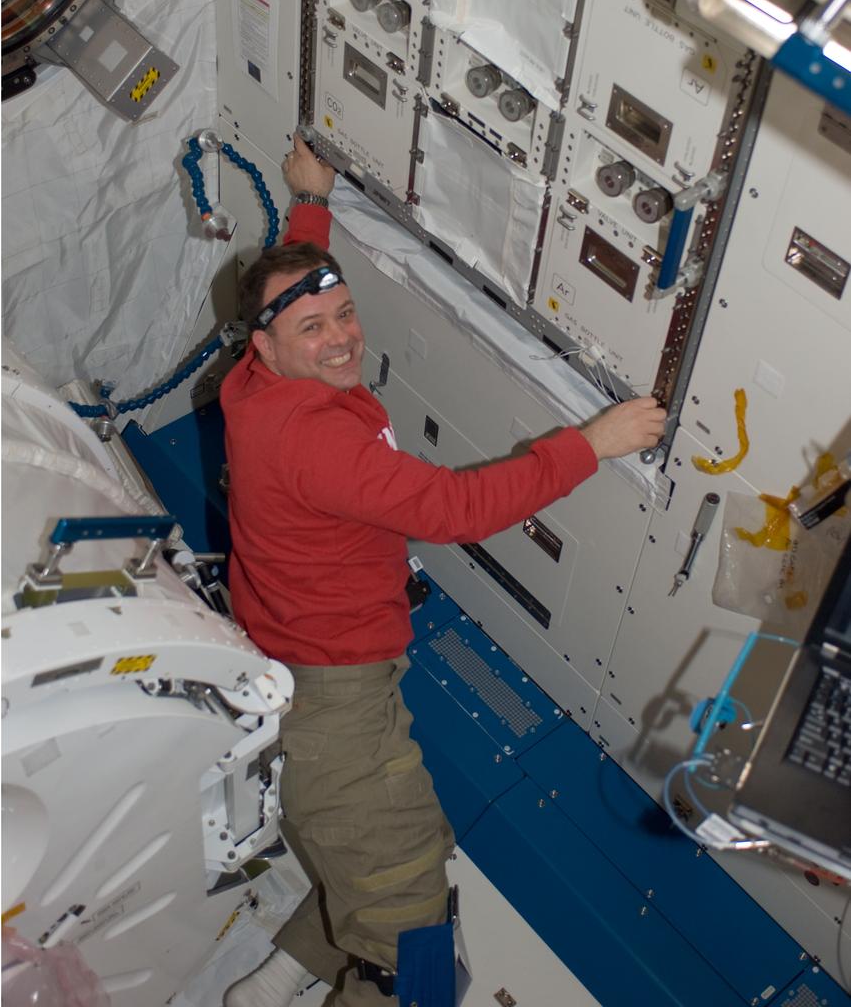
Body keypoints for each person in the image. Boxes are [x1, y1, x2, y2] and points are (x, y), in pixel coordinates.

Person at [221, 136, 666, 1007]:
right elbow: (455, 511)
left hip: (296, 655)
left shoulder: (255, 382)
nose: (343, 337)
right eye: (316, 329)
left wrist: (311, 205)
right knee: (412, 940)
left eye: (345, 313)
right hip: (334, 697)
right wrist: (591, 443)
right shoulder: (314, 439)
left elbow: (300, 298)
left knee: (396, 841)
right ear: (267, 348)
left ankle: (270, 983)